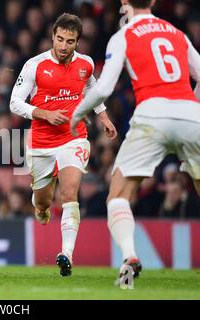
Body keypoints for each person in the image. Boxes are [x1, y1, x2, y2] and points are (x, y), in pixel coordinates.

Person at [70, 0, 200, 283]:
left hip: (151, 115)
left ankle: (130, 256)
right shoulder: (176, 33)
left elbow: (104, 87)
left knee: (118, 196)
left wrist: (77, 113)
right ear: (153, 2)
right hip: (192, 114)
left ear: (124, 3)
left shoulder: (124, 35)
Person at [10, 13, 117, 276]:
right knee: (43, 201)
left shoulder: (86, 64)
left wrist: (102, 116)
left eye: (69, 41)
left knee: (70, 194)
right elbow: (14, 102)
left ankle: (66, 254)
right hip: (41, 142)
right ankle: (41, 208)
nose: (63, 45)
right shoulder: (35, 65)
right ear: (52, 37)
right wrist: (44, 113)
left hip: (74, 137)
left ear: (77, 41)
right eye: (59, 39)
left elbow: (91, 90)